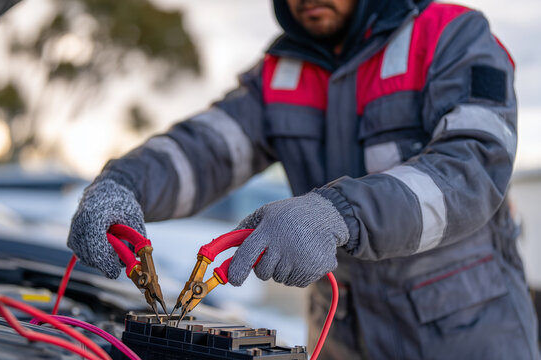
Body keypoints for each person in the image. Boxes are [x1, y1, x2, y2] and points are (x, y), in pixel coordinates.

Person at [68, 0, 539, 358]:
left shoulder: (450, 36)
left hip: (469, 338)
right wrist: (123, 184)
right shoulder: (277, 75)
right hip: (340, 340)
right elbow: (203, 151)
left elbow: (472, 168)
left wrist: (340, 214)